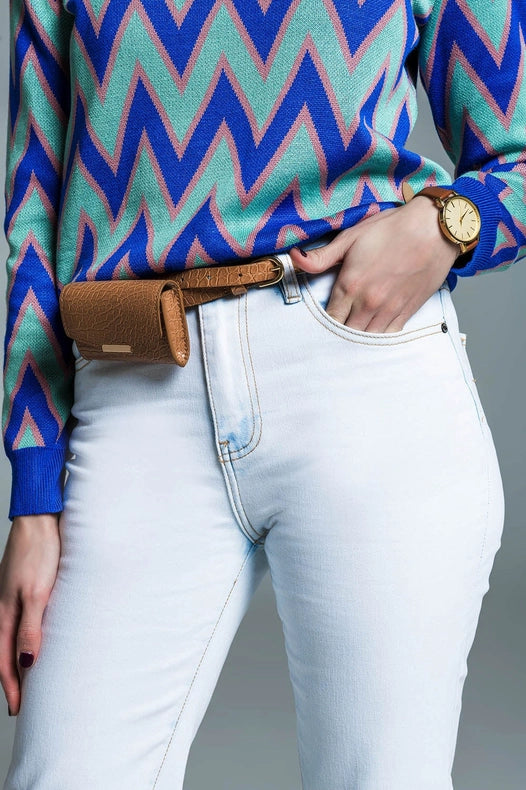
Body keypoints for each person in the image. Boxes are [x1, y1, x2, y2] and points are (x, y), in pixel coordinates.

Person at [0, 0, 523, 787]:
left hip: (361, 373)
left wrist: (445, 224)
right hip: (137, 389)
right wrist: (34, 494)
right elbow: (33, 204)